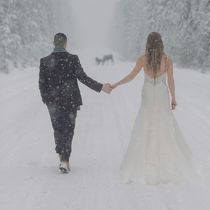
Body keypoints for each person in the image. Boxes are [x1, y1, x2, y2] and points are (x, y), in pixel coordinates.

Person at [111, 32, 198, 185]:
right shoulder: (167, 59)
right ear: (161, 43)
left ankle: (143, 163)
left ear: (148, 44)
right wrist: (174, 97)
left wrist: (116, 84)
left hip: (147, 93)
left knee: (145, 121)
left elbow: (131, 76)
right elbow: (170, 79)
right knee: (164, 122)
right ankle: (168, 163)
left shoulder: (143, 59)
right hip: (162, 93)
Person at [39, 33, 112, 173]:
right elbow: (83, 78)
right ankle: (64, 159)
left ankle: (61, 154)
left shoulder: (44, 61)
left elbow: (42, 84)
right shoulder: (72, 59)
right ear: (66, 43)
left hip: (53, 102)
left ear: (54, 43)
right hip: (70, 100)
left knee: (58, 129)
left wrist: (46, 100)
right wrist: (101, 87)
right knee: (68, 130)